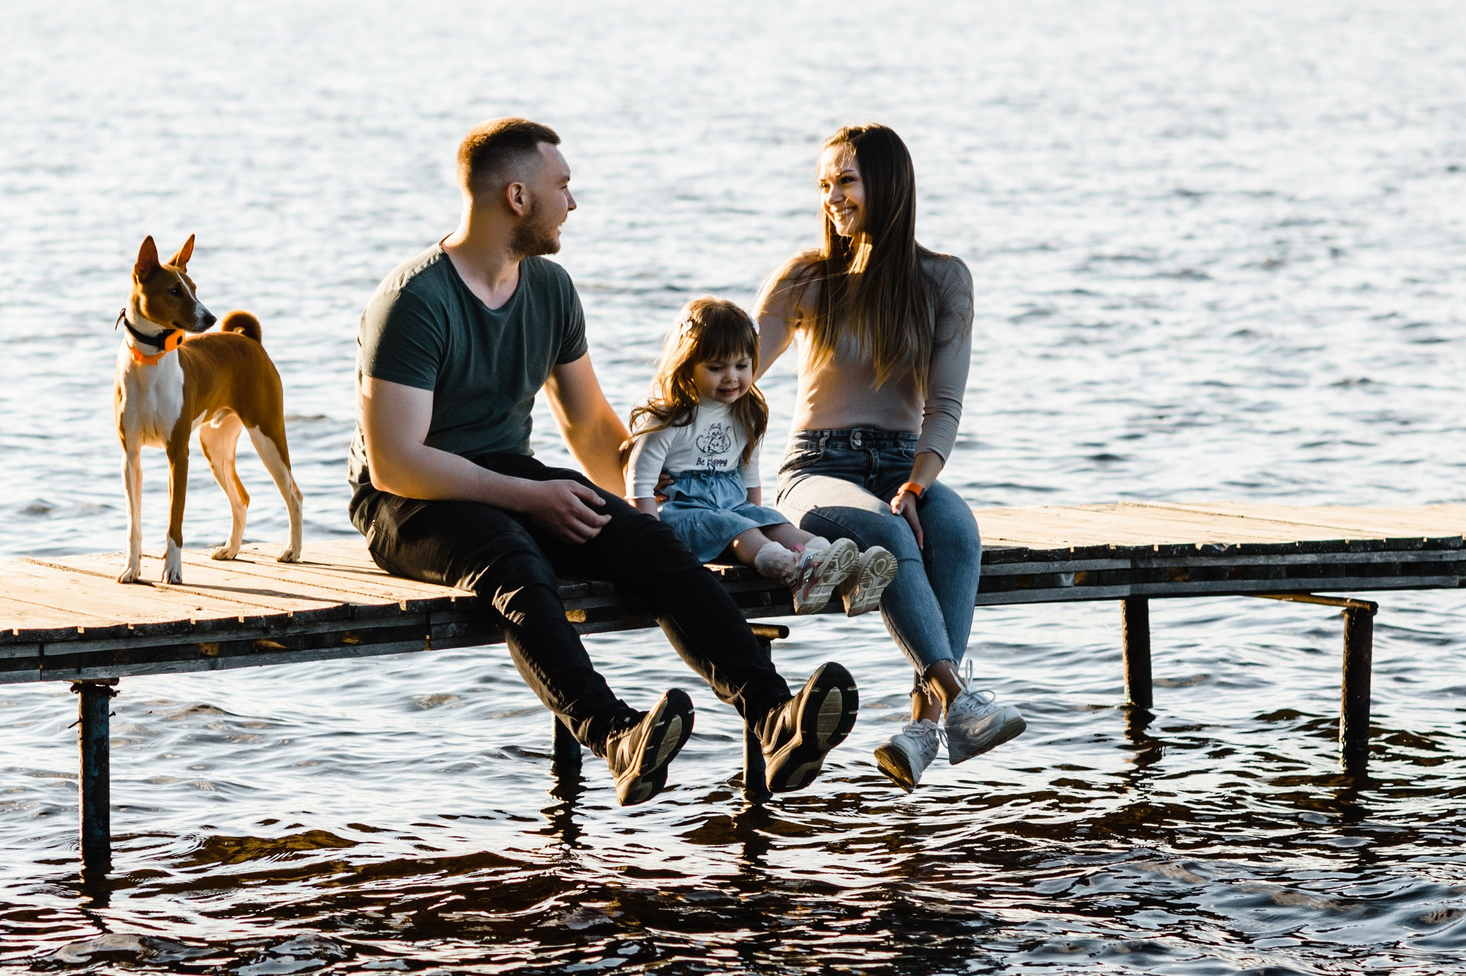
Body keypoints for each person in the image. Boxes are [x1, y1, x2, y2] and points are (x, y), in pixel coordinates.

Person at [350, 116, 859, 805]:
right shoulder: (414, 300)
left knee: (645, 538)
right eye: (563, 186)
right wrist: (531, 499)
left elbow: (591, 428)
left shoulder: (551, 290)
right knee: (510, 556)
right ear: (518, 197)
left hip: (501, 471)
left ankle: (775, 717)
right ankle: (615, 733)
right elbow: (395, 462)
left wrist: (674, 500)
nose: (573, 202)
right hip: (405, 500)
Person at [755, 123, 1025, 790]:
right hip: (815, 470)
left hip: (903, 464)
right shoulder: (807, 278)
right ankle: (957, 701)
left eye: (844, 180)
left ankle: (921, 726)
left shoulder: (943, 280)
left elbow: (945, 404)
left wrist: (918, 481)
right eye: (823, 185)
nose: (832, 198)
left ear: (888, 183)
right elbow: (732, 370)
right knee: (882, 531)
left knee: (957, 528)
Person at [625, 295, 885, 617]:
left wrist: (760, 517)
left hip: (733, 507)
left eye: (741, 366)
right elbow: (640, 482)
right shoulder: (671, 417)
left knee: (775, 524)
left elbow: (750, 477)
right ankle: (795, 572)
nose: (731, 377)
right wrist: (655, 542)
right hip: (686, 515)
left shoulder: (745, 414)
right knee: (742, 529)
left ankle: (845, 568)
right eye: (716, 367)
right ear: (688, 363)